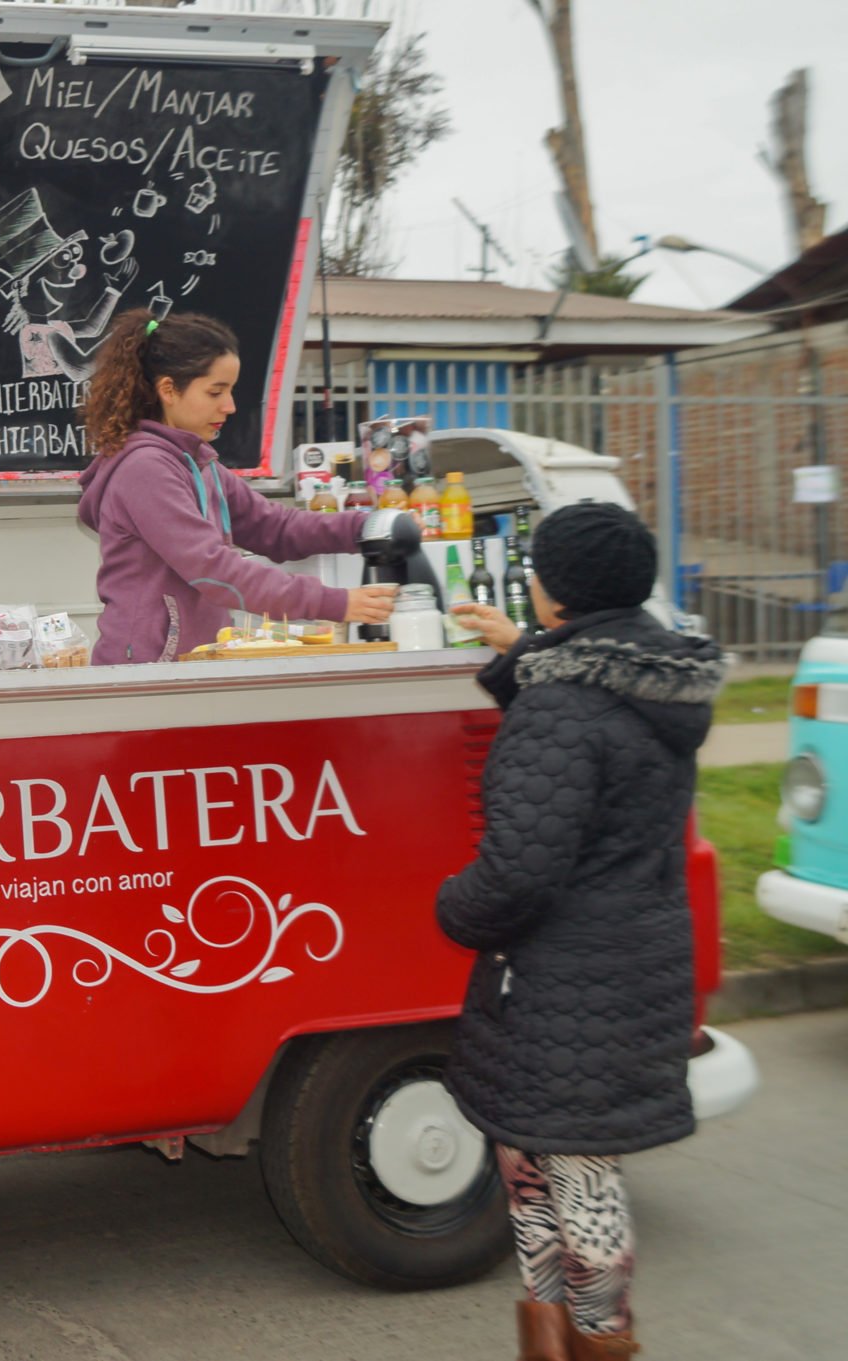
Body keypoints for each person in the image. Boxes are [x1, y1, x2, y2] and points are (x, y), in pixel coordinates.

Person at [440, 502, 726, 1361]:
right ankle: (557, 1342)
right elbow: (588, 696)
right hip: (630, 965)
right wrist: (518, 650)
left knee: (572, 1177)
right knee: (539, 1167)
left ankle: (596, 1344)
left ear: (553, 590)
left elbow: (520, 869)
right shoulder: (647, 677)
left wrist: (454, 906)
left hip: (566, 979)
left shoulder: (562, 709)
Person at [75, 310, 395, 662]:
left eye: (230, 391)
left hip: (194, 665)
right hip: (145, 674)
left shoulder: (199, 463)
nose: (230, 406)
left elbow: (275, 527)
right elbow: (215, 570)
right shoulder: (145, 470)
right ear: (168, 389)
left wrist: (366, 526)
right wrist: (337, 602)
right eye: (216, 392)